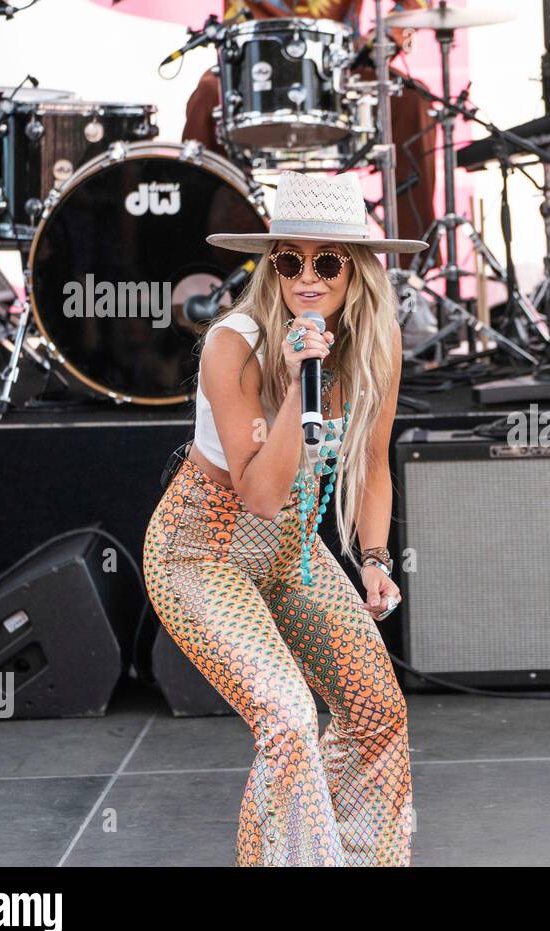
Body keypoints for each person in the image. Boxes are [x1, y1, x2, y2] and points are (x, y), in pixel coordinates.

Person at [141, 170, 427, 866]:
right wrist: (302, 378)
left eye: (326, 261)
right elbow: (263, 495)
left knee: (375, 712)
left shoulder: (376, 337)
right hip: (200, 551)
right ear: (269, 266)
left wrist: (375, 556)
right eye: (287, 259)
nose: (306, 276)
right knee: (288, 718)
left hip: (291, 551)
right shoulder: (232, 344)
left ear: (356, 271)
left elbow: (375, 462)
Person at [181, 0, 439, 267]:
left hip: (337, 73)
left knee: (411, 99)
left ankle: (414, 272)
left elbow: (416, 4)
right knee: (207, 97)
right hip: (254, 71)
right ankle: (199, 265)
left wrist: (384, 39)